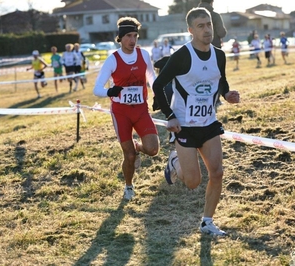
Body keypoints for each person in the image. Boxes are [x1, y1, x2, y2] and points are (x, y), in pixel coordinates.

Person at [152, 7, 240, 236]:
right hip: (184, 125)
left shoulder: (219, 55)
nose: (207, 29)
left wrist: (227, 95)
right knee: (192, 182)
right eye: (200, 26)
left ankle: (207, 222)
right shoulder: (182, 55)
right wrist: (170, 115)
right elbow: (158, 85)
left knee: (217, 172)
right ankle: (175, 162)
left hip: (209, 123)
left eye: (209, 24)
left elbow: (221, 81)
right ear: (191, 30)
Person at [93, 16, 160, 201]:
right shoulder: (112, 59)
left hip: (140, 110)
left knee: (153, 149)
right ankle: (129, 186)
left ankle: (138, 147)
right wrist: (109, 91)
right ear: (120, 38)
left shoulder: (143, 54)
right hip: (121, 112)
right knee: (129, 155)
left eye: (135, 36)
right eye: (128, 36)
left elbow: (152, 79)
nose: (132, 40)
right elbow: (96, 88)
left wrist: (159, 93)